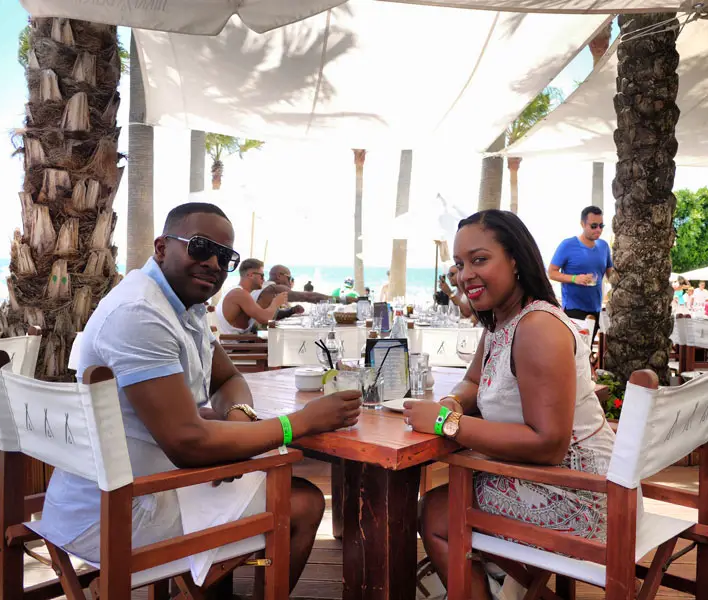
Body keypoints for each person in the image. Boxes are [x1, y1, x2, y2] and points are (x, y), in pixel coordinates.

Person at [36, 203, 361, 593]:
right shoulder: (141, 312)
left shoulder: (180, 305)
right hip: (116, 512)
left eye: (224, 256)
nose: (212, 262)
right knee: (304, 502)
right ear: (161, 247)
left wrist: (239, 416)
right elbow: (188, 444)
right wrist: (301, 423)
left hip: (118, 488)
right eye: (200, 247)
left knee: (244, 471)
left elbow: (228, 379)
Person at [407, 210, 615, 600]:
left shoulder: (537, 328)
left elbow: (549, 443)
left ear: (516, 260)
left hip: (587, 495)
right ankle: (502, 583)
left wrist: (445, 423)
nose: (465, 274)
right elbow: (472, 380)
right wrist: (452, 402)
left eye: (479, 259)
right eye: (459, 264)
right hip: (548, 477)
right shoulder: (503, 322)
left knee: (435, 515)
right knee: (441, 503)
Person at [548, 206, 614, 346]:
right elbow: (551, 272)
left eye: (601, 226)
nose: (598, 230)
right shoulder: (568, 245)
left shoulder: (603, 246)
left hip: (595, 309)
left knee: (587, 351)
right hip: (573, 310)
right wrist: (574, 278)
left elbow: (610, 274)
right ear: (582, 224)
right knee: (575, 353)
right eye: (593, 226)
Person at [217, 258, 295, 334]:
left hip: (237, 342)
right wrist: (276, 302)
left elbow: (259, 318)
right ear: (250, 275)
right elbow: (265, 318)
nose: (264, 280)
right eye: (262, 275)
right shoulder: (239, 294)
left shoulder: (235, 291)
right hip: (237, 345)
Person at [257, 265, 345, 309]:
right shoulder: (275, 288)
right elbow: (311, 297)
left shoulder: (264, 286)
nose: (289, 281)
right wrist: (340, 300)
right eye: (289, 278)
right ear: (279, 276)